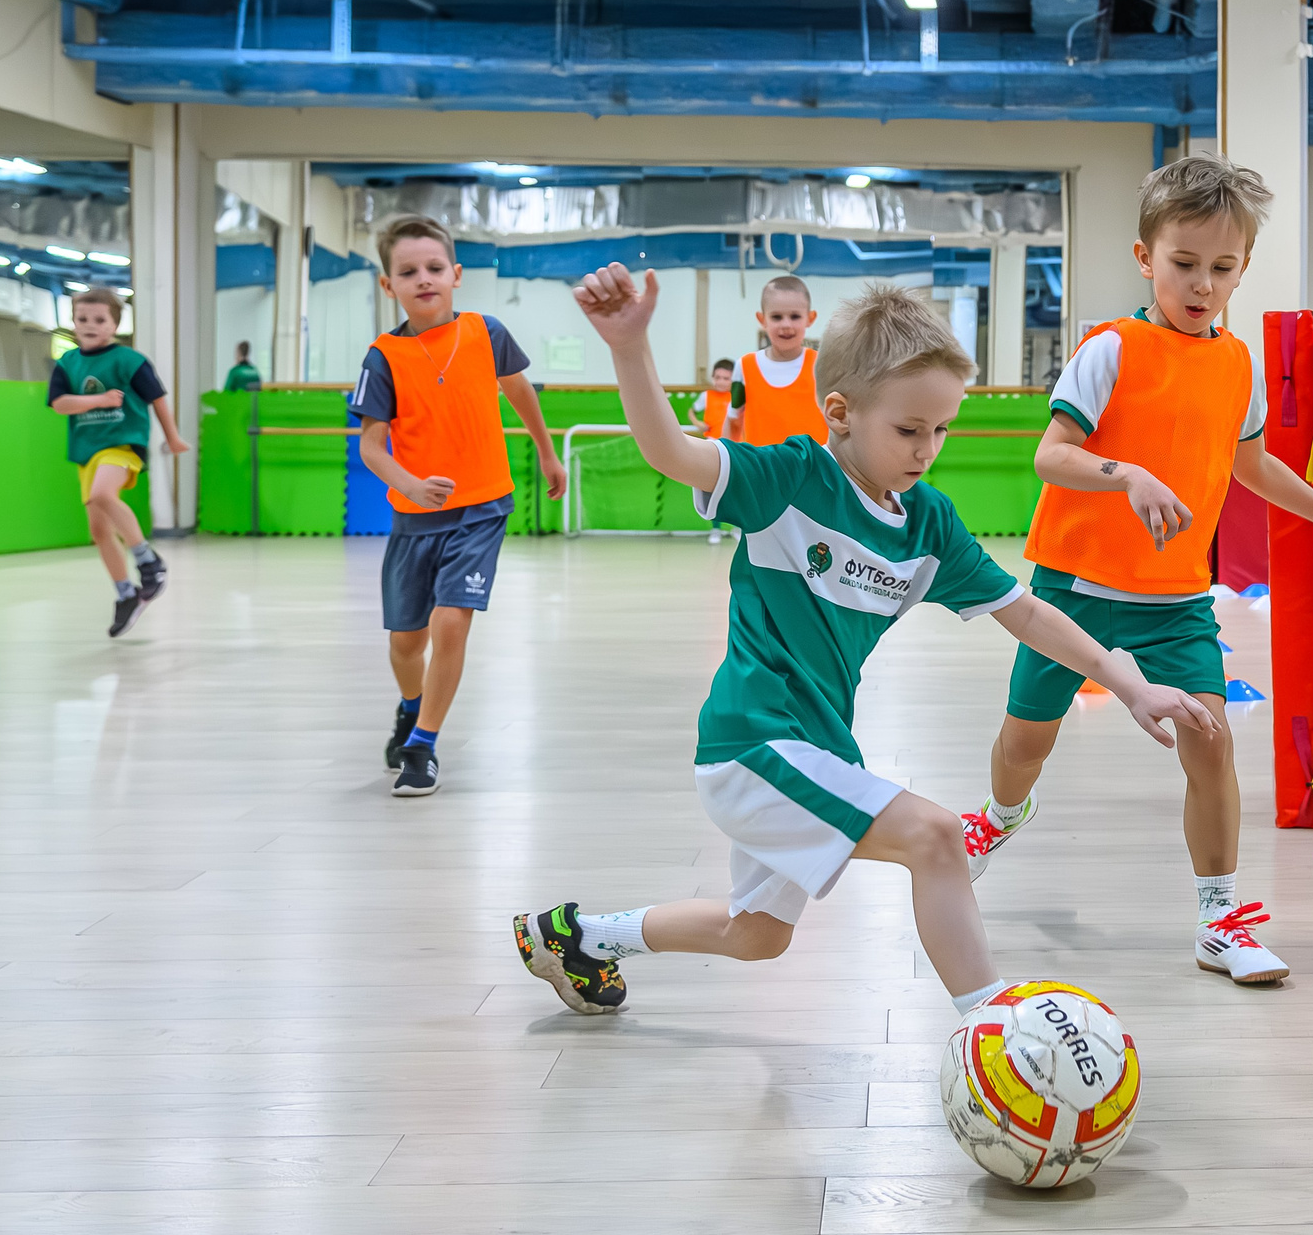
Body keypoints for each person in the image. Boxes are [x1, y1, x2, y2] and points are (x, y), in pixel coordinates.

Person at [512, 269, 1213, 1017]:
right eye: (909, 430)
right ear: (840, 412)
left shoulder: (925, 524)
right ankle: (997, 1035)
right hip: (754, 745)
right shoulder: (787, 478)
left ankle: (580, 937)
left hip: (818, 750)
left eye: (941, 429)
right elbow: (670, 451)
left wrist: (1130, 683)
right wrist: (629, 347)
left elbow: (1028, 613)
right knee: (938, 835)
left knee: (755, 934)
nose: (927, 449)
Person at [970, 155, 1313, 986]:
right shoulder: (1110, 349)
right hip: (1071, 593)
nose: (1202, 283)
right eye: (1183, 263)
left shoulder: (1237, 364)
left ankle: (1218, 916)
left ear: (1243, 269)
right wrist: (1129, 474)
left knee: (1213, 742)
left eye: (1221, 268)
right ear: (1144, 257)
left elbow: (1255, 465)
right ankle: (1001, 814)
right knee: (1023, 744)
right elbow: (1054, 457)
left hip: (1176, 600)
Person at [351, 214, 567, 797]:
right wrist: (411, 483)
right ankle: (411, 703)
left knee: (451, 623)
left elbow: (521, 392)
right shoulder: (383, 357)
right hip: (414, 516)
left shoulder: (485, 332)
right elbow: (371, 444)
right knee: (406, 641)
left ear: (456, 275)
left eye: (434, 268)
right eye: (408, 271)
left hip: (482, 507)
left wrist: (548, 454)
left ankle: (422, 746)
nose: (424, 279)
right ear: (387, 285)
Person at [48, 288, 188, 638]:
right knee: (99, 531)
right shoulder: (68, 364)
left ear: (115, 325)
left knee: (104, 495)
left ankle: (147, 561)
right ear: (73, 322)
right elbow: (60, 404)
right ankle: (127, 594)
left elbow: (157, 399)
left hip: (122, 443)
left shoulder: (129, 361)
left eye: (99, 320)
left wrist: (171, 437)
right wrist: (98, 400)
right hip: (87, 450)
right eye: (83, 320)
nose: (90, 326)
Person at [723, 276, 830, 446]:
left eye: (795, 316)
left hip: (813, 470)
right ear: (762, 319)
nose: (786, 324)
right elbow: (733, 419)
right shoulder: (744, 367)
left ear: (810, 318)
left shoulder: (823, 365)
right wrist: (729, 467)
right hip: (763, 470)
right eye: (776, 317)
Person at [692, 356, 739, 543]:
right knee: (713, 489)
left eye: (725, 378)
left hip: (734, 446)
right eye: (717, 377)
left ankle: (738, 528)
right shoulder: (706, 396)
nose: (720, 382)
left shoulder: (737, 396)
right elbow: (692, 411)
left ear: (733, 379)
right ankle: (715, 530)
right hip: (712, 446)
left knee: (736, 489)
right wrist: (698, 423)